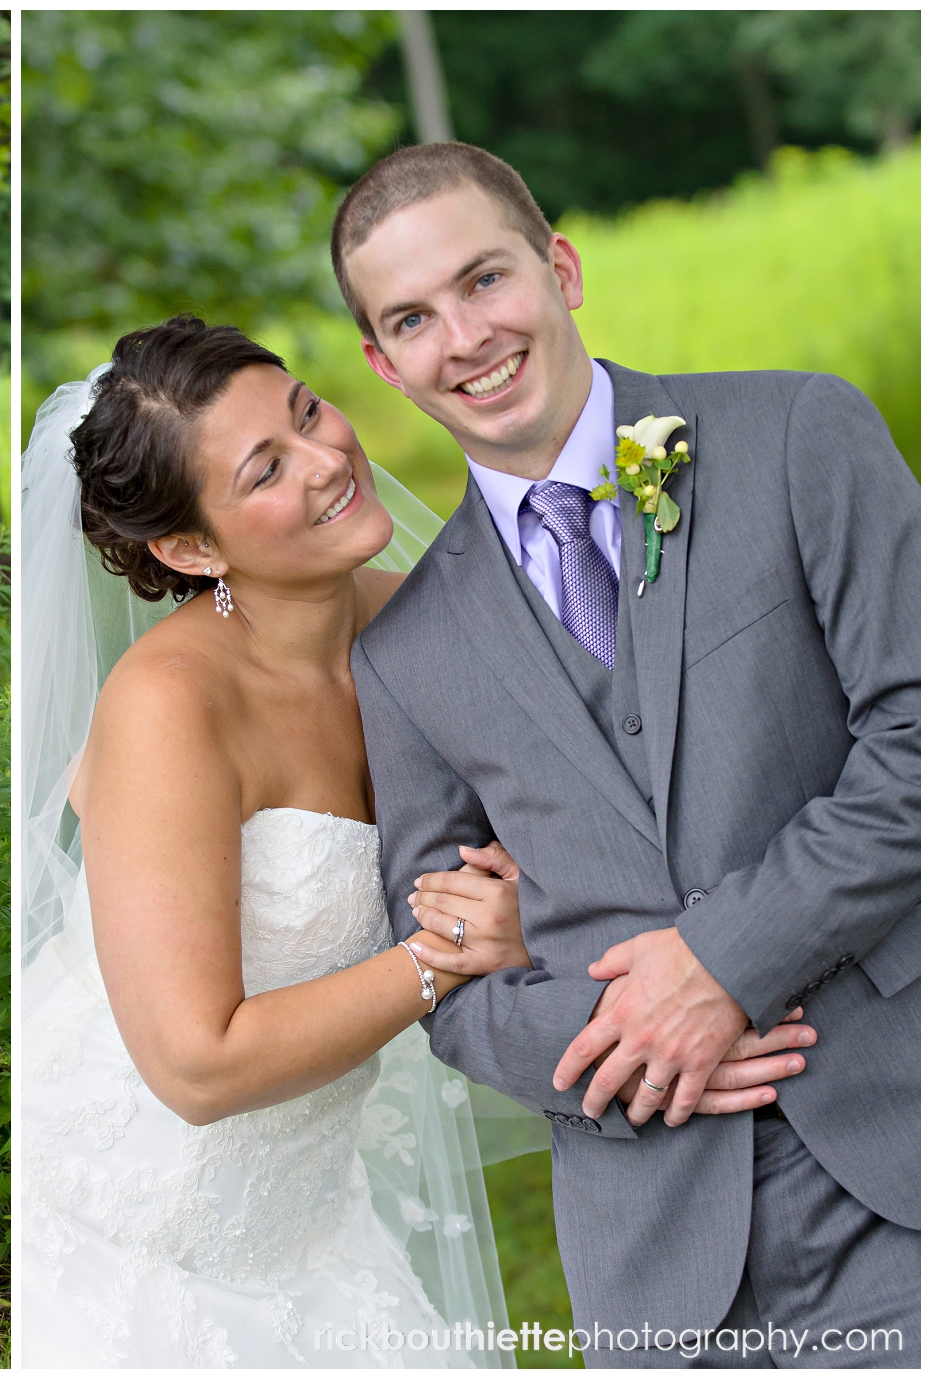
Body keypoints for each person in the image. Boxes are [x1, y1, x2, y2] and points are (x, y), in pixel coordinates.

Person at [17, 317, 807, 1368]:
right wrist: (447, 953)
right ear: (191, 546)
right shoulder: (171, 707)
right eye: (266, 468)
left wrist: (656, 977)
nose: (327, 458)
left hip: (304, 1211)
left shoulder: (431, 627)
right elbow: (194, 1064)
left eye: (306, 411)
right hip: (141, 1212)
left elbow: (601, 835)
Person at [337, 142, 919, 1367]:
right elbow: (449, 987)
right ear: (383, 362)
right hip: (656, 1263)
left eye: (485, 279)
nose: (466, 337)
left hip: (896, 1163)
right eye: (412, 319)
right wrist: (625, 1038)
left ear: (560, 267)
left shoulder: (796, 432)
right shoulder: (405, 651)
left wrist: (724, 956)